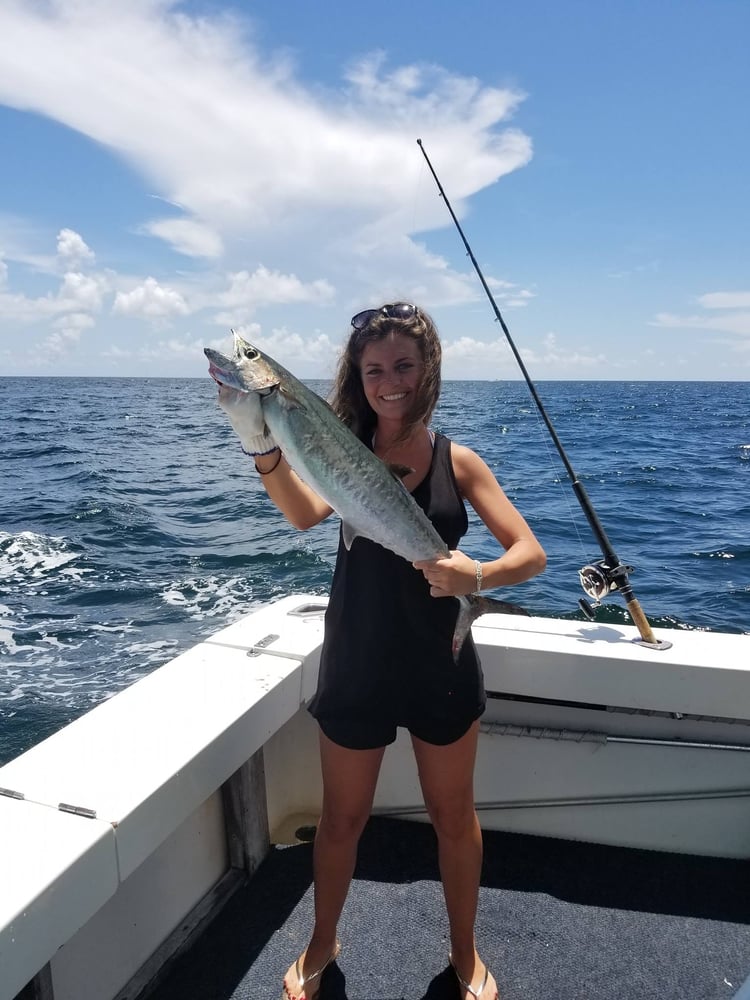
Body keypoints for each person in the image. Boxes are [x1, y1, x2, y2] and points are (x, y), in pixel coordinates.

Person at [217, 303, 546, 1000]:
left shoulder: (459, 460)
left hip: (441, 666)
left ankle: (465, 954)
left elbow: (531, 554)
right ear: (356, 376)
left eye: (403, 365)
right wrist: (261, 446)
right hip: (358, 656)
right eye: (374, 370)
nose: (389, 382)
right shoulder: (339, 447)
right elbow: (305, 514)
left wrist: (475, 577)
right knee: (340, 819)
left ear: (427, 370)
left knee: (454, 817)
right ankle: (321, 942)